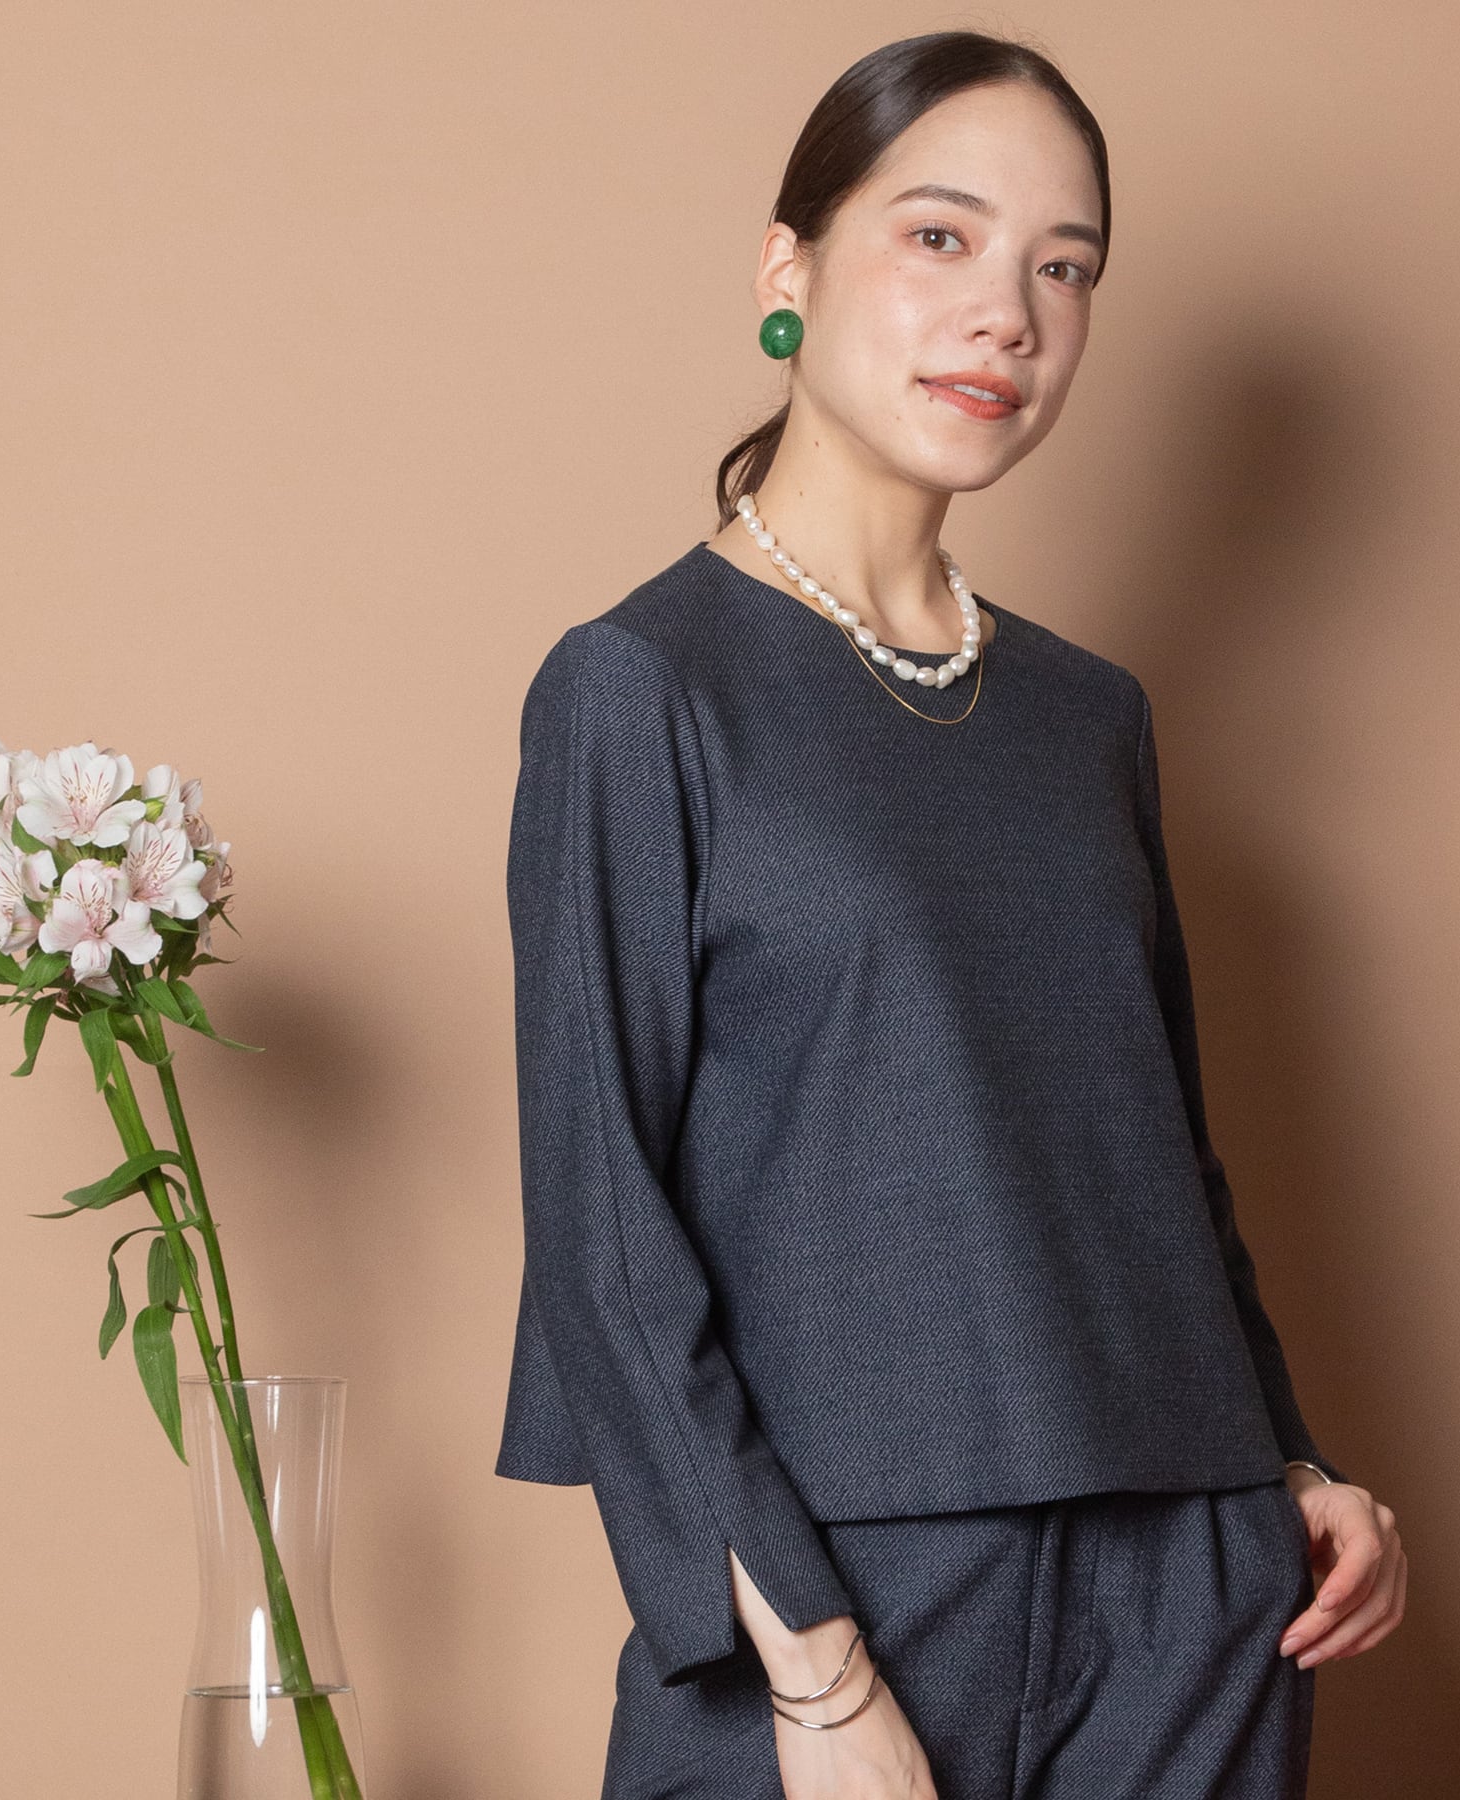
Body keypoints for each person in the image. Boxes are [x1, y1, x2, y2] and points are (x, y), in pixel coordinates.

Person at [494, 29, 1406, 1800]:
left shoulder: (1091, 717)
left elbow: (1157, 1159)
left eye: (1065, 268)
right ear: (789, 268)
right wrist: (818, 1676)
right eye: (939, 237)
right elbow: (605, 1229)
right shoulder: (641, 688)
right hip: (844, 1594)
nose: (1008, 314)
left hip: (1191, 1586)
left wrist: (1293, 1464)